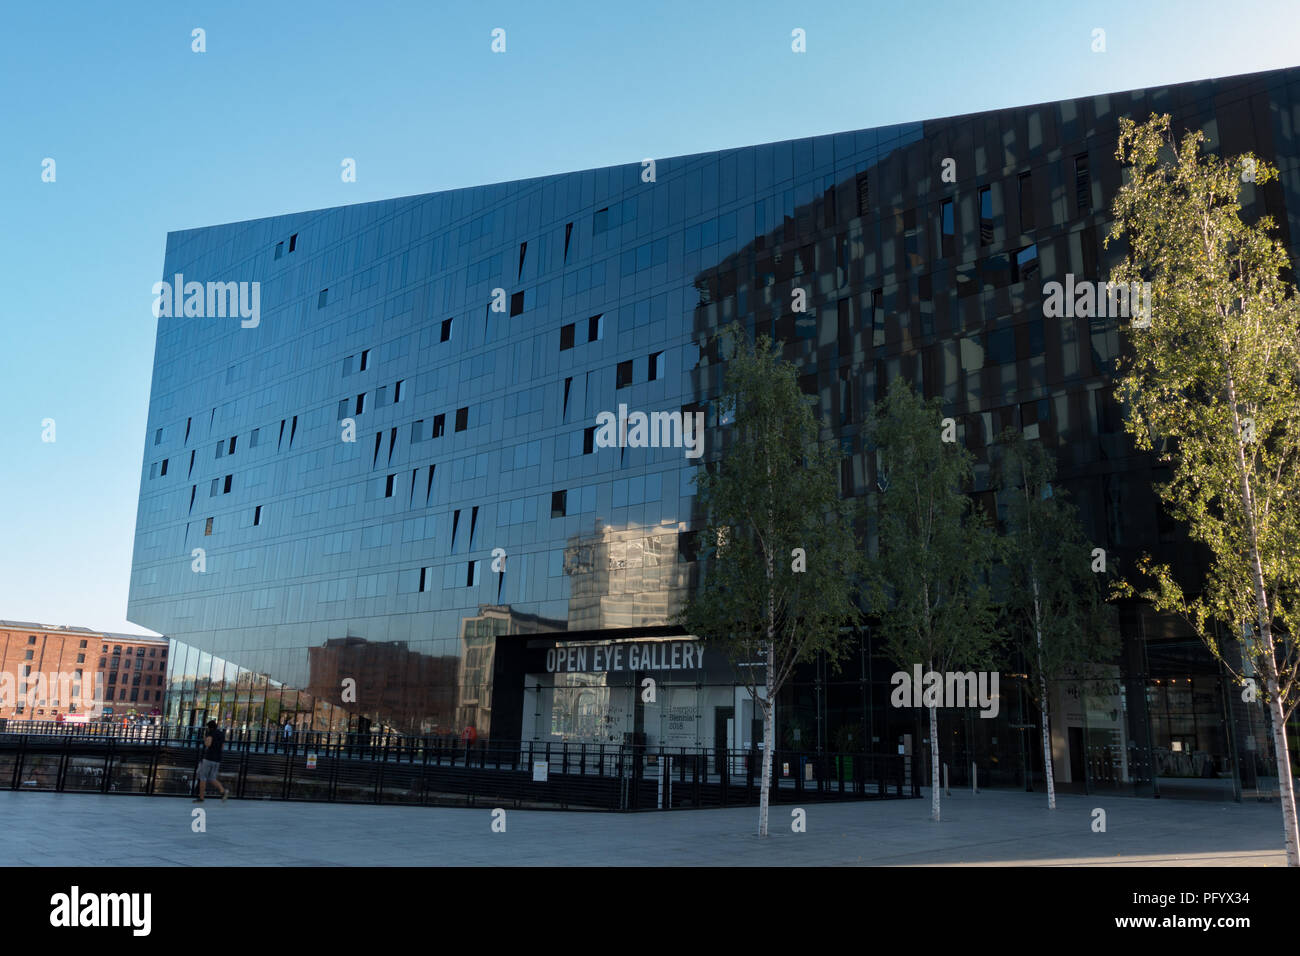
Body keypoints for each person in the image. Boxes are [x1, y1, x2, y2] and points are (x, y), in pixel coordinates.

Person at [194, 719, 229, 803]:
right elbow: (222, 747)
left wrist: (205, 740)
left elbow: (208, 744)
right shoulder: (221, 734)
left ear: (209, 727)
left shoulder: (210, 733)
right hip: (217, 759)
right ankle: (223, 791)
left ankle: (201, 797)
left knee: (203, 777)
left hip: (209, 758)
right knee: (212, 778)